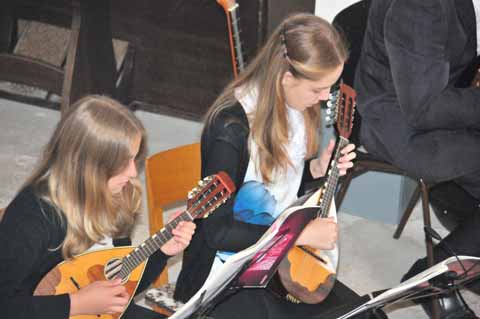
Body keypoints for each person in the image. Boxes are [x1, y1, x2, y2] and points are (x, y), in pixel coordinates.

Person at [174, 13, 383, 319]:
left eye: (330, 88)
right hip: (224, 271)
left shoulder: (295, 109)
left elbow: (279, 191)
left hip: (277, 254)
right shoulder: (230, 130)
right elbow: (216, 233)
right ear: (286, 79)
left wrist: (315, 169)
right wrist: (300, 236)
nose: (325, 99)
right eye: (317, 90)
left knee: (364, 314)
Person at [0, 95, 196, 319]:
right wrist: (76, 304)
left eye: (134, 159)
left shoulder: (118, 197)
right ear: (90, 166)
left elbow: (119, 288)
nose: (133, 173)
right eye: (124, 162)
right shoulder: (32, 216)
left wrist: (161, 252)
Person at [354, 0, 480, 318]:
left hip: (427, 104)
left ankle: (462, 260)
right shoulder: (418, 6)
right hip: (402, 126)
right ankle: (432, 278)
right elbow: (426, 108)